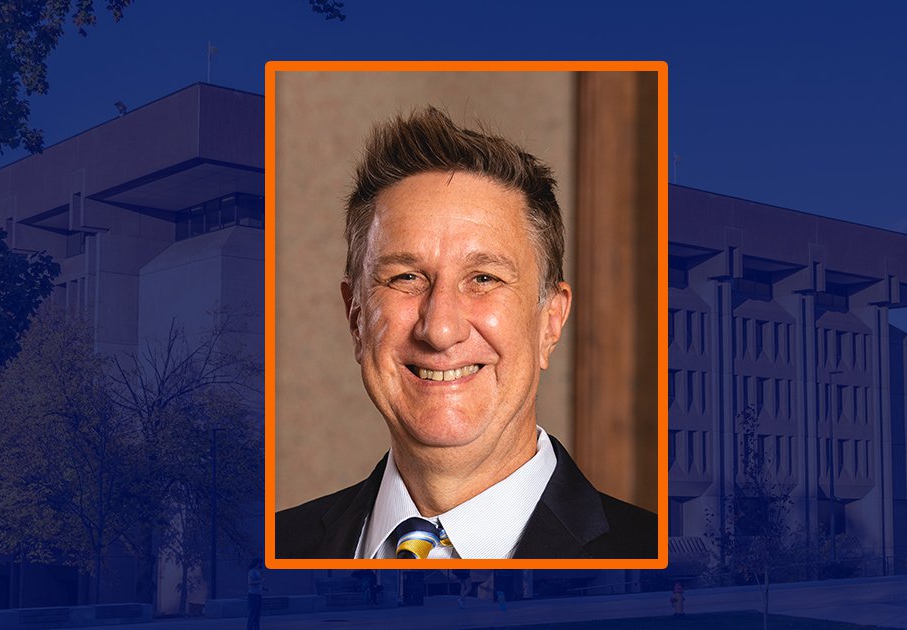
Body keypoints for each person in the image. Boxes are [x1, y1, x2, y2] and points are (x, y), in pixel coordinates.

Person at [276, 106, 656, 559]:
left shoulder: (661, 559)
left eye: (484, 279)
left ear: (550, 322)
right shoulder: (276, 547)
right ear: (356, 316)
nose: (439, 329)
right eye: (405, 278)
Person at [245, 558, 264, 630]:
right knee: (252, 614)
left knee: (257, 614)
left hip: (258, 595)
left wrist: (263, 588)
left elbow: (257, 583)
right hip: (253, 595)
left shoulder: (257, 572)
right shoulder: (251, 572)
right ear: (257, 563)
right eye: (260, 563)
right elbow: (250, 582)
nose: (261, 565)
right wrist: (261, 580)